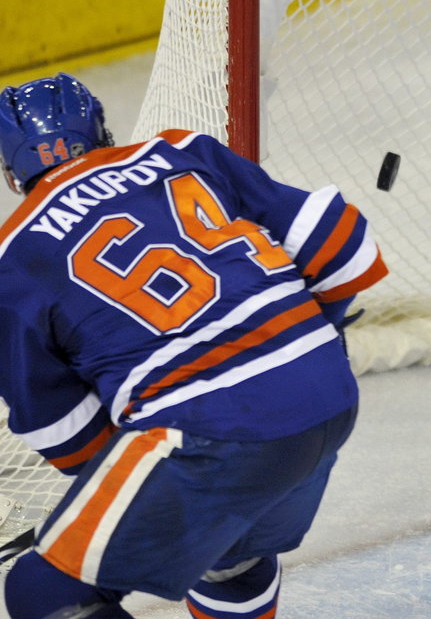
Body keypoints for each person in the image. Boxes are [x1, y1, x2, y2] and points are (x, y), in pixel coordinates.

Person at [0, 73, 387, 617]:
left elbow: (64, 434)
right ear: (103, 133)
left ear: (12, 175)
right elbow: (347, 250)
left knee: (44, 592)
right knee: (228, 555)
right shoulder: (182, 150)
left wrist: (122, 485)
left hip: (206, 428)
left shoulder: (12, 259)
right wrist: (304, 346)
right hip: (327, 398)